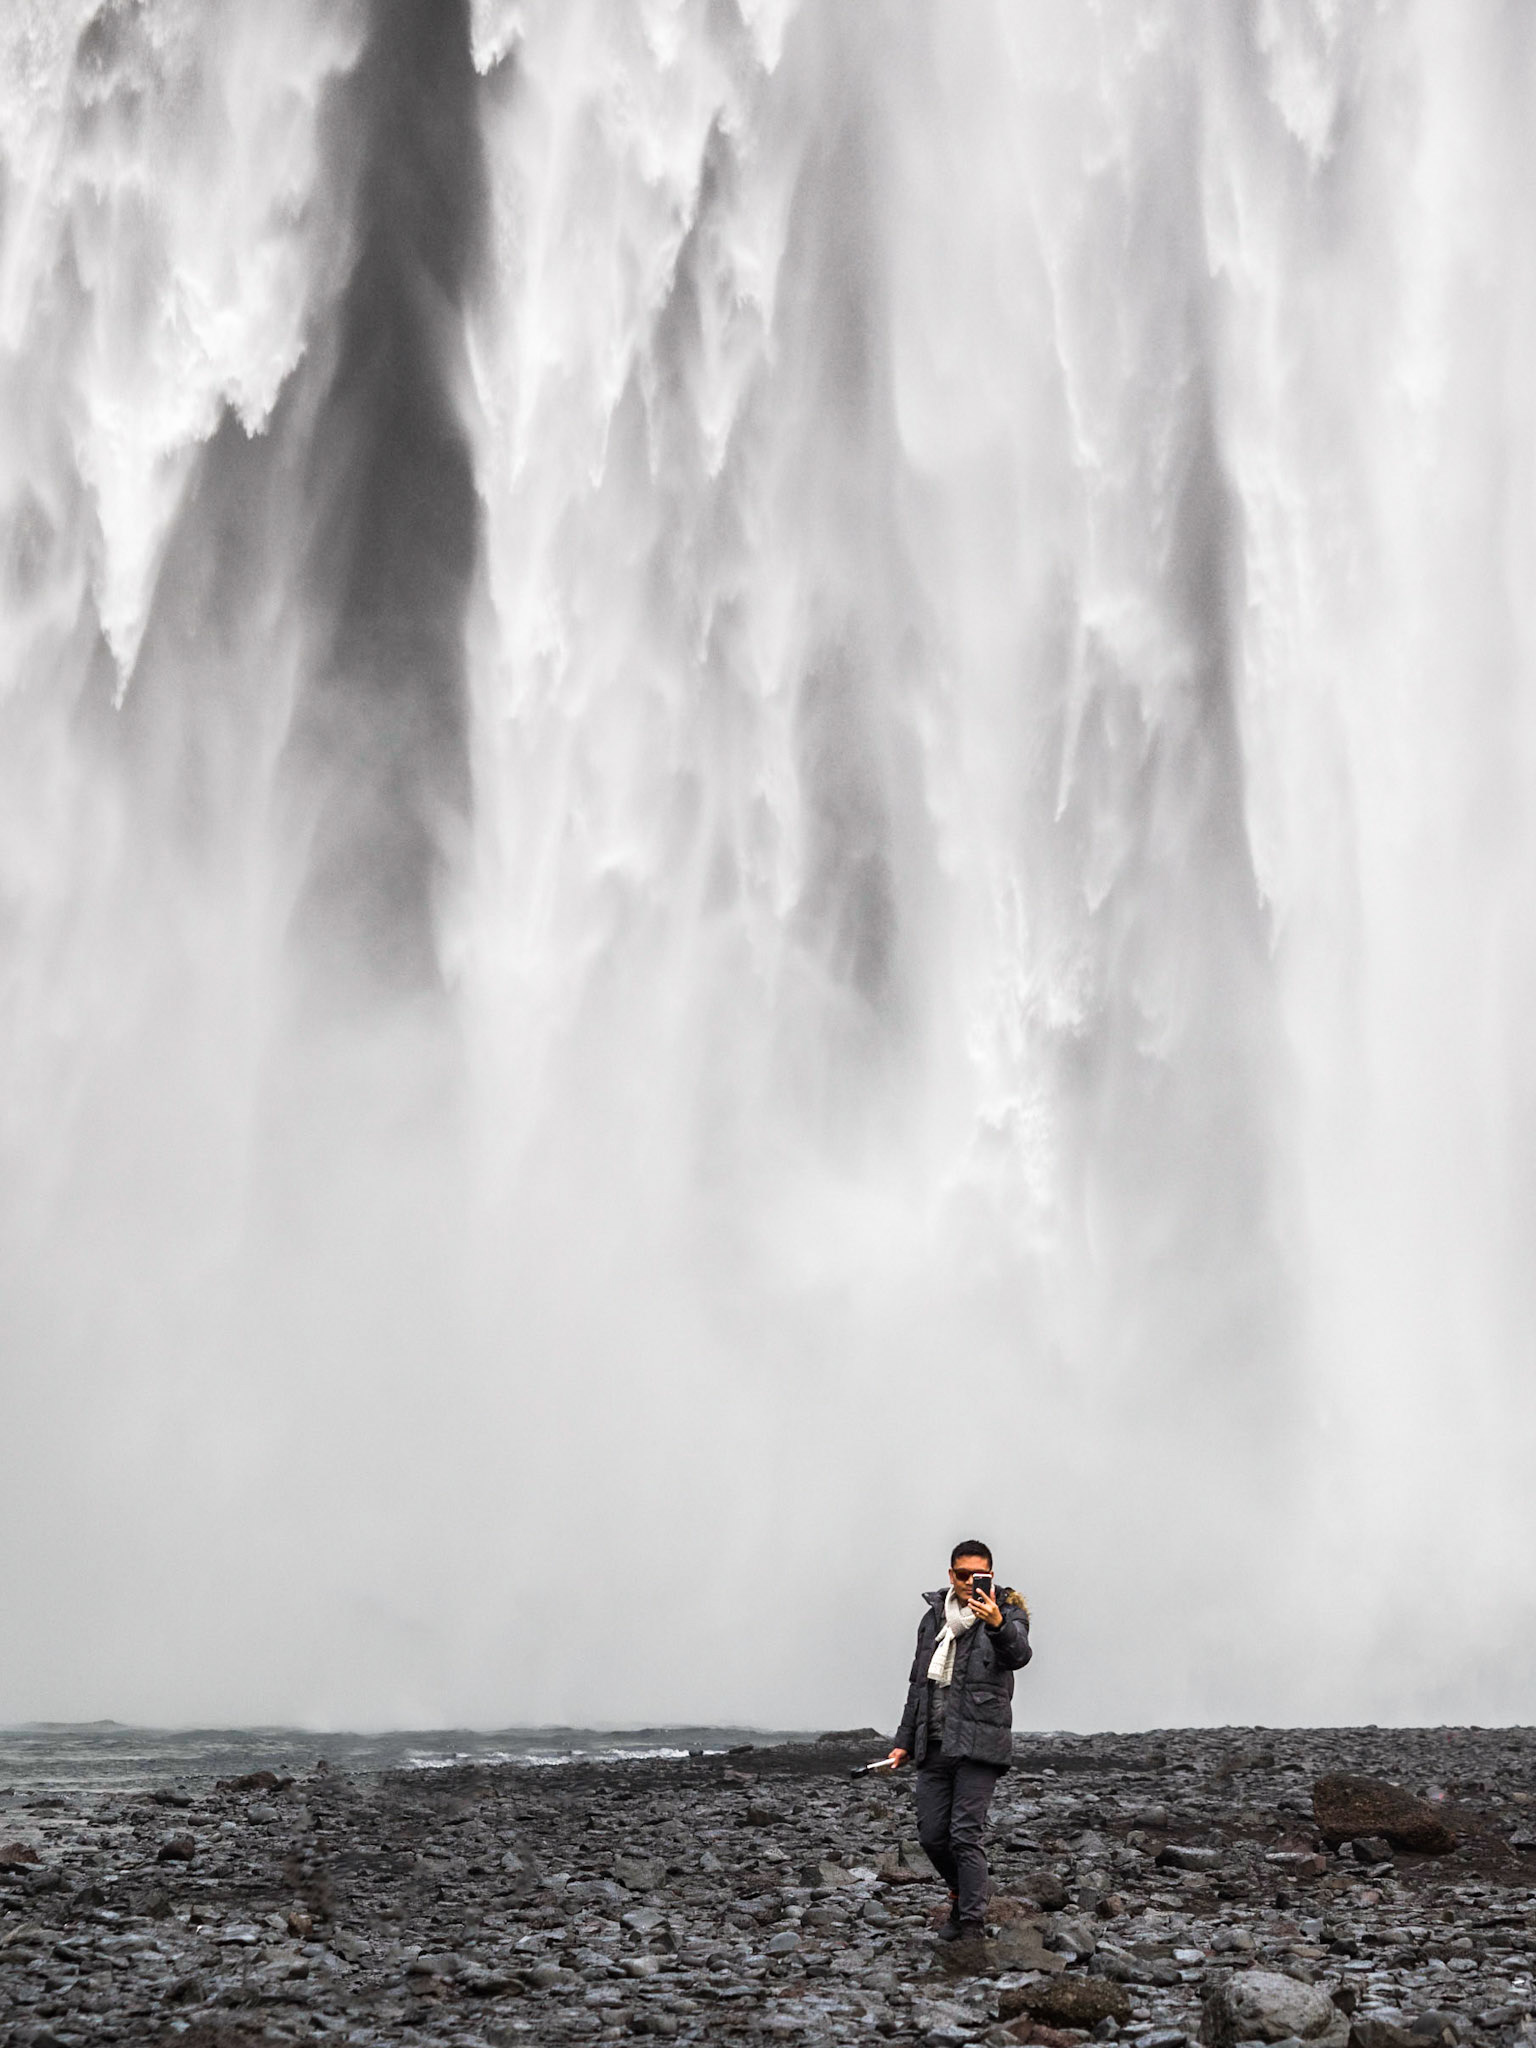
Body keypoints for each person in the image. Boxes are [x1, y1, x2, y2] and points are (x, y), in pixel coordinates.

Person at [886, 1540, 1032, 1941]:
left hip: (980, 1743)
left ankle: (970, 1922)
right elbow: (919, 1684)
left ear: (991, 1575)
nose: (971, 1582)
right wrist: (902, 1741)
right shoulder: (933, 1618)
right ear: (951, 1575)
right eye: (963, 1575)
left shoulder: (1008, 1612)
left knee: (965, 1835)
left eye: (979, 1575)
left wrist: (998, 1623)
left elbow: (1019, 1654)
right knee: (932, 1835)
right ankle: (967, 1890)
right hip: (932, 1742)